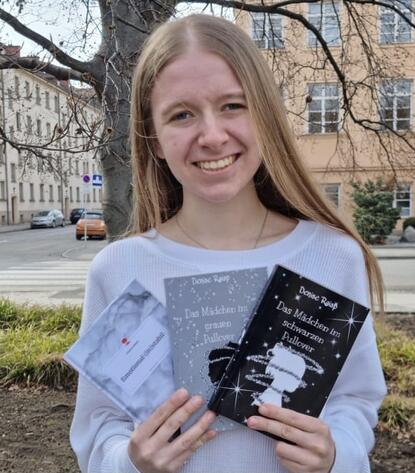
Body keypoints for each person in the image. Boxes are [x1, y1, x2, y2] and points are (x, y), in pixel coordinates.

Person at [70, 14, 387, 473]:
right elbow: (100, 424)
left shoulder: (333, 258)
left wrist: (337, 453)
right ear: (154, 139)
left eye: (233, 106)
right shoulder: (119, 268)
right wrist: (131, 462)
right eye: (182, 114)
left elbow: (356, 400)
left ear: (265, 115)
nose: (212, 135)